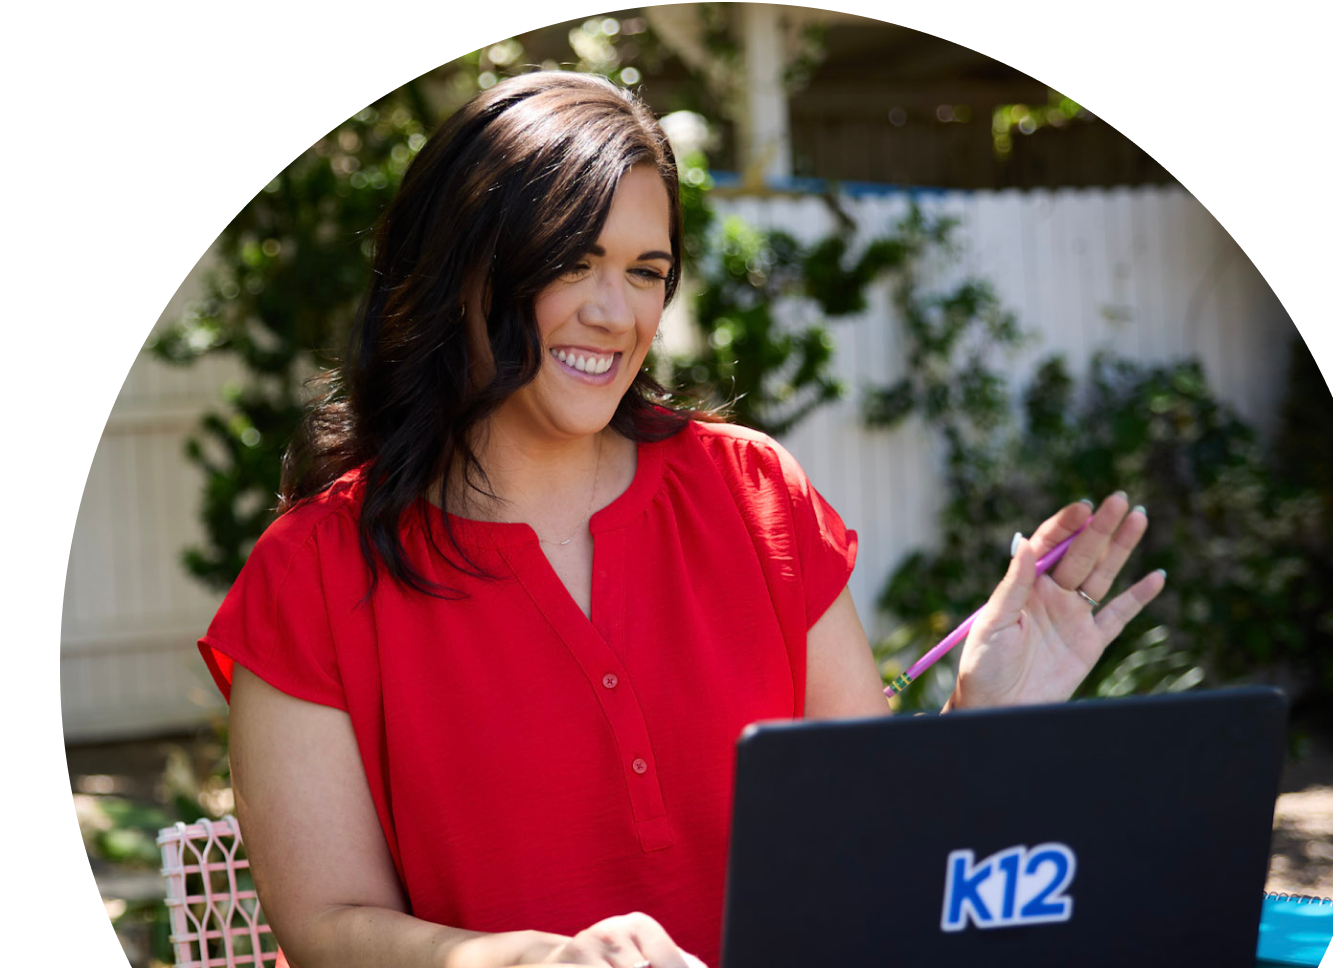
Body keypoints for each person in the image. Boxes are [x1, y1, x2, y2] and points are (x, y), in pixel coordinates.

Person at [198, 71, 1165, 968]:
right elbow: (324, 927)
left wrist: (982, 723)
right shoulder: (315, 568)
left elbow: (875, 841)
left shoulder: (750, 493)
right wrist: (543, 959)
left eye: (648, 270)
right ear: (465, 270)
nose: (616, 313)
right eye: (575, 262)